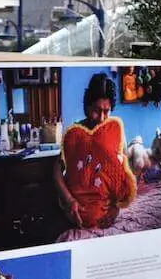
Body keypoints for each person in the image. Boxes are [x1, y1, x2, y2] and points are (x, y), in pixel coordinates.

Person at [54, 73, 138, 234]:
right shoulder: (75, 133)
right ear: (87, 107)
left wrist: (116, 207)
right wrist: (69, 200)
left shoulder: (116, 132)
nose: (101, 118)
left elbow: (124, 173)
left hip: (104, 212)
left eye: (106, 111)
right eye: (96, 110)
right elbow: (57, 169)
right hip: (75, 212)